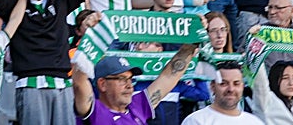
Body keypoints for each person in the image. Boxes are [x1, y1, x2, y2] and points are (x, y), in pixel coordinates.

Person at [72, 46, 200, 125]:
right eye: (122, 79)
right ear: (102, 84)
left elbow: (169, 76)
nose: (129, 86)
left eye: (130, 79)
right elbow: (79, 82)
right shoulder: (94, 110)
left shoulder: (137, 105)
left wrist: (190, 46)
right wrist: (93, 40)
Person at [181, 64, 263, 125]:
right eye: (224, 84)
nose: (231, 89)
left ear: (242, 87)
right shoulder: (196, 121)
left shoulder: (254, 122)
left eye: (236, 84)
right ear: (213, 86)